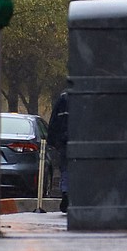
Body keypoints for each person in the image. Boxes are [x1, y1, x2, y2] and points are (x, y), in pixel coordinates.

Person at [47, 81, 71, 213]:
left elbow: (54, 121)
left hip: (64, 142)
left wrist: (53, 141)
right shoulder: (87, 97)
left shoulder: (63, 98)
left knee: (66, 169)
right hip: (82, 140)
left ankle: (66, 192)